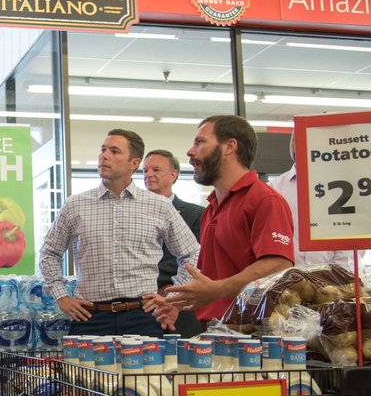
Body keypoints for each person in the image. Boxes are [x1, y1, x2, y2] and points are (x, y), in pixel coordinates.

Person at [40, 130, 199, 339]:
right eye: (103, 150)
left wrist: (173, 298)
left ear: (134, 163)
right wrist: (61, 297)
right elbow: (48, 253)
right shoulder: (75, 205)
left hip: (143, 315)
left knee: (147, 364)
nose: (104, 156)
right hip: (90, 316)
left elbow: (192, 253)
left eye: (114, 151)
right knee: (84, 364)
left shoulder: (159, 206)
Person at [161, 115, 295, 327]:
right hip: (215, 328)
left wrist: (217, 290)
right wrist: (179, 302)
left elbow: (278, 264)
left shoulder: (264, 199)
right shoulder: (212, 207)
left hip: (252, 331)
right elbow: (210, 277)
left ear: (230, 146)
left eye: (200, 142)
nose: (190, 152)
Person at [142, 148, 206, 336]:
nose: (148, 174)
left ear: (173, 174)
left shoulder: (196, 214)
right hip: (139, 306)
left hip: (178, 303)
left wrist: (166, 290)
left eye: (155, 169)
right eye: (145, 170)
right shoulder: (133, 215)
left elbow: (196, 258)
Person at [267, 133, 353, 270]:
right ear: (293, 145)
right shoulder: (273, 189)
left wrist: (336, 274)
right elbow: (268, 240)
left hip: (335, 277)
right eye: (300, 139)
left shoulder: (342, 186)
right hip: (286, 277)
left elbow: (351, 233)